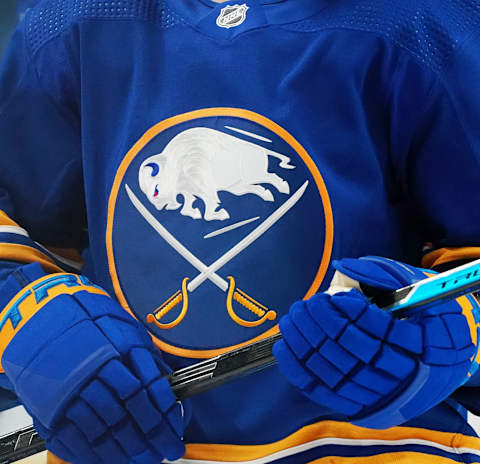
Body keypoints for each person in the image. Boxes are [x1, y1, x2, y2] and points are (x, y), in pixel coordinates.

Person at [0, 0, 479, 462]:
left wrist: (454, 333)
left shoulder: (425, 24)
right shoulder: (69, 24)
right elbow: (18, 238)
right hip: (127, 450)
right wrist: (26, 319)